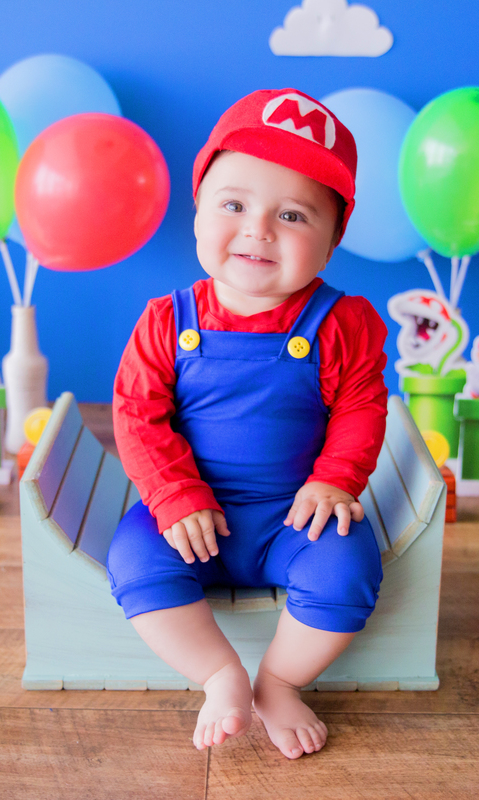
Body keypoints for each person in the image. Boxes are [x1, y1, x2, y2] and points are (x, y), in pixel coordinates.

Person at [107, 89, 389, 760]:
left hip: (296, 515)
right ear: (198, 213)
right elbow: (138, 416)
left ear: (332, 241)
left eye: (292, 215)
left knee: (349, 562)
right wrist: (173, 495)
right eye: (233, 205)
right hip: (189, 514)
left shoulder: (343, 323)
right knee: (134, 558)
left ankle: (280, 681)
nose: (259, 229)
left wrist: (335, 480)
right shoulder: (166, 321)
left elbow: (361, 407)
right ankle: (218, 673)